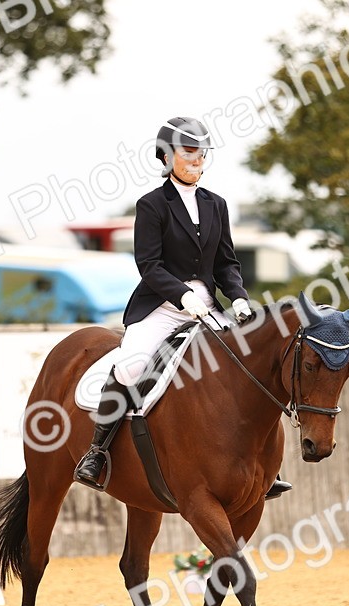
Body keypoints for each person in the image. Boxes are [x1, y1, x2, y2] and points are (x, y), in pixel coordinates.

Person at [73, 116, 292, 499]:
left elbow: (226, 263)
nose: (197, 159)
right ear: (167, 155)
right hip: (161, 306)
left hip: (208, 305)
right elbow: (149, 264)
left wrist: (238, 297)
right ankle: (98, 452)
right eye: (189, 151)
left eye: (201, 152)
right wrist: (181, 295)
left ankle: (262, 468)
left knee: (247, 364)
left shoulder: (216, 205)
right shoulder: (152, 205)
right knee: (131, 365)